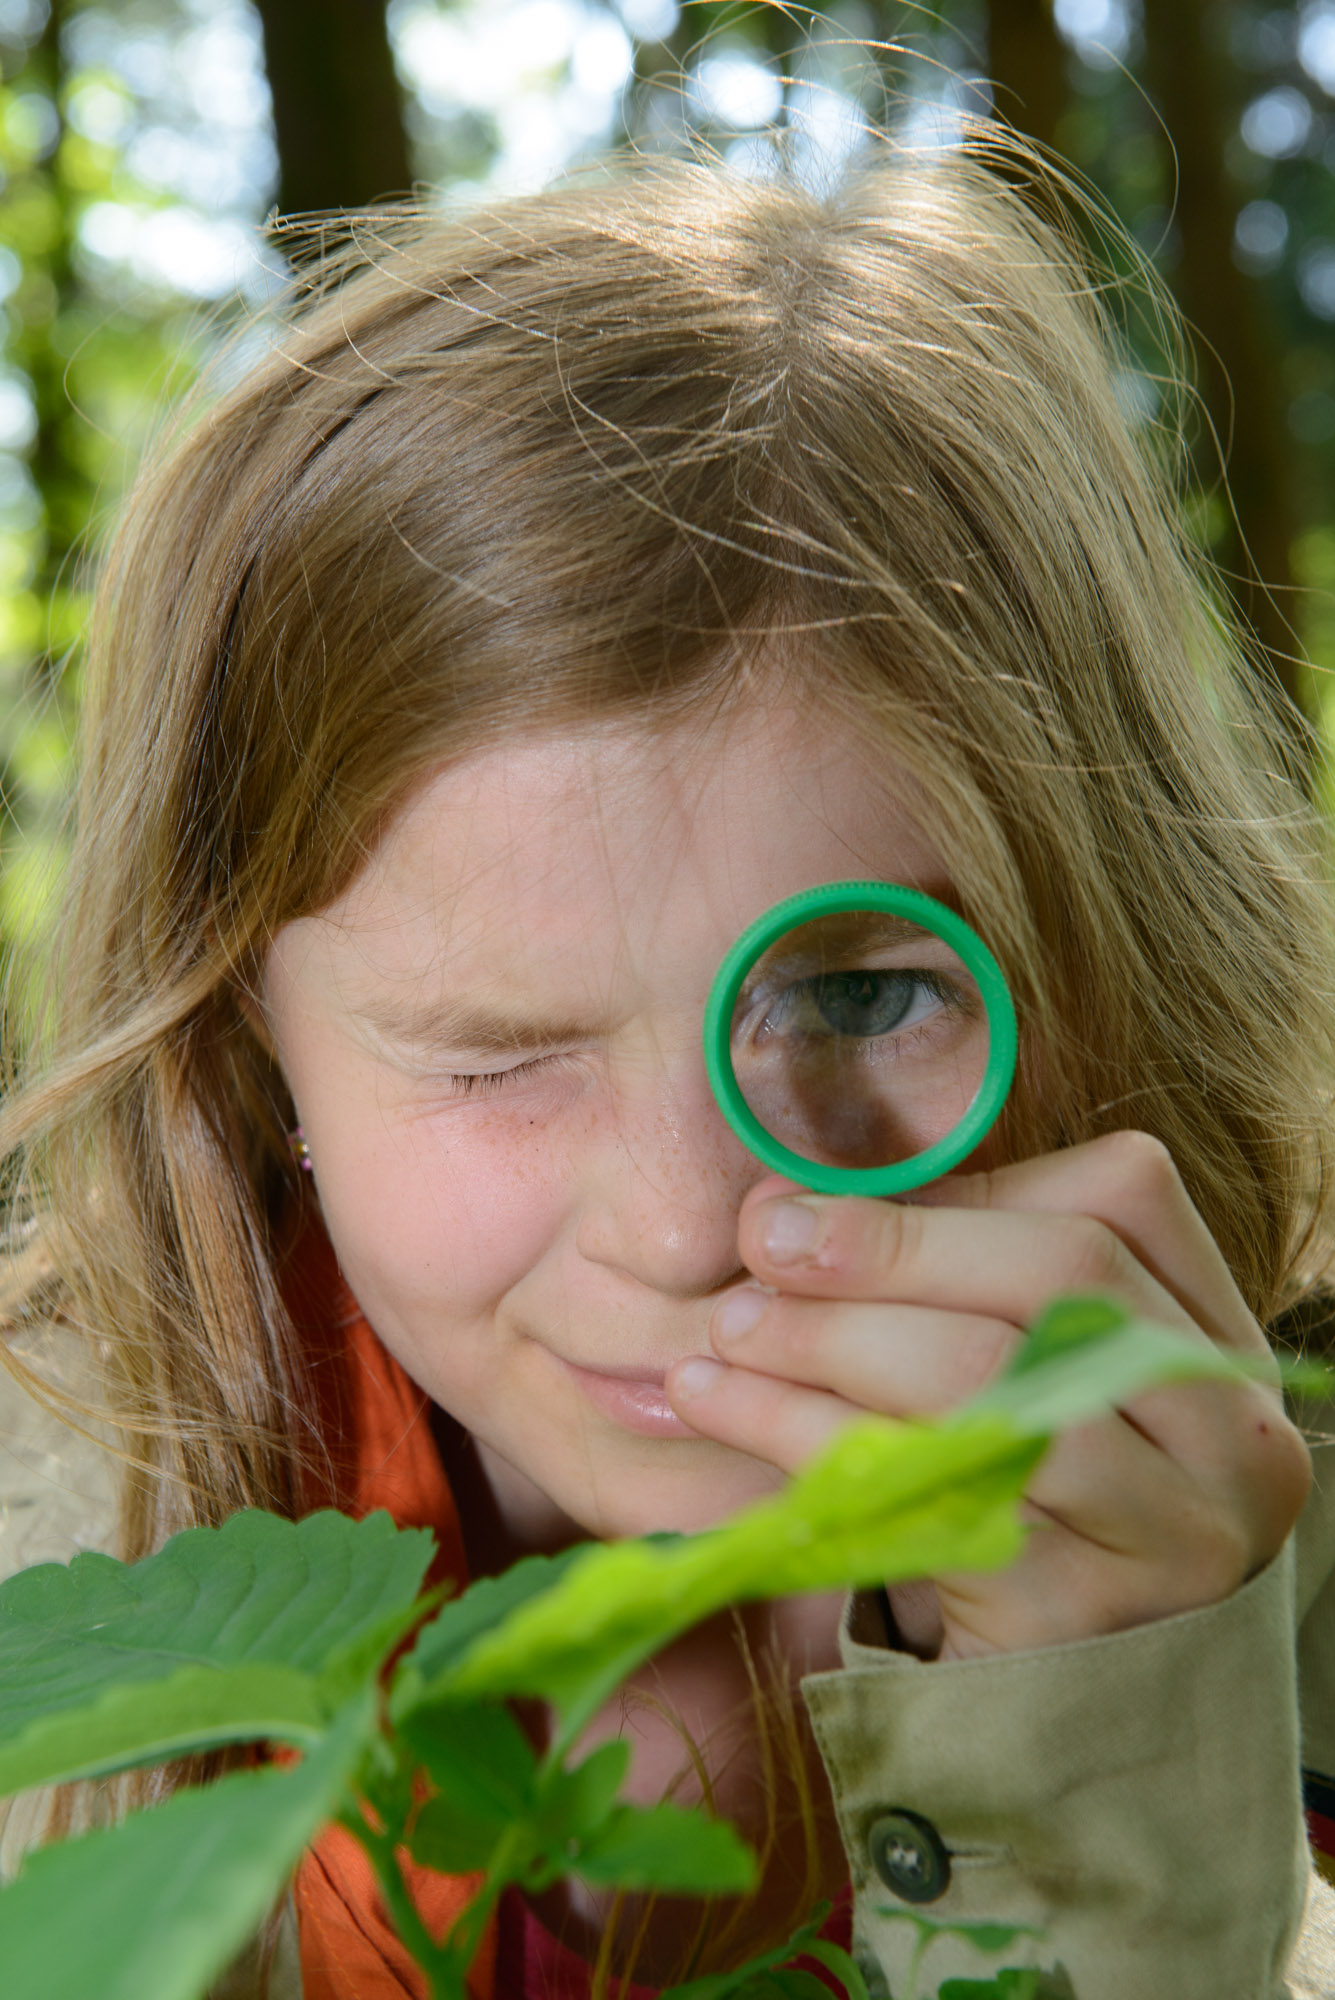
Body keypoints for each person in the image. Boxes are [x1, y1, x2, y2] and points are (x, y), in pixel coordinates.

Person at [3, 129, 1335, 2000]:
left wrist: (1118, 1787)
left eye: (867, 1000)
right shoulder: (44, 1544)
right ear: (248, 1048)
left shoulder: (1289, 1643)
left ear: (1118, 949)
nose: (699, 1223)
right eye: (498, 1060)